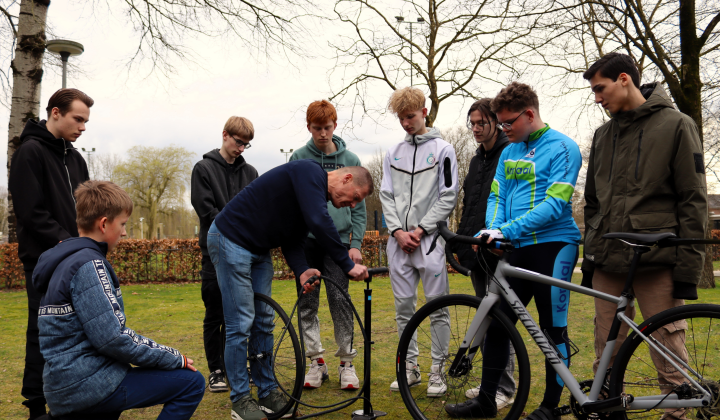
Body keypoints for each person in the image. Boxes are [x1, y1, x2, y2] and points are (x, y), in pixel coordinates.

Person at [445, 82, 582, 419]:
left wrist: (505, 229)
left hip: (554, 247)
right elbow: (498, 197)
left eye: (508, 123)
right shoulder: (509, 151)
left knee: (553, 330)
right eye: (501, 124)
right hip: (515, 249)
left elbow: (554, 205)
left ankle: (551, 406)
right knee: (498, 325)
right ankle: (487, 400)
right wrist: (492, 230)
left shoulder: (564, 148)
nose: (504, 129)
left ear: (530, 114)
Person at [582, 53, 707, 419]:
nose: (597, 97)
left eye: (600, 88)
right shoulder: (603, 136)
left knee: (668, 351)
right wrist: (592, 254)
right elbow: (593, 202)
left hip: (658, 261)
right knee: (605, 354)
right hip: (608, 262)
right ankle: (607, 414)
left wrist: (687, 270)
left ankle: (677, 415)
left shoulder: (677, 125)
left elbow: (693, 200)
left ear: (624, 79)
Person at [208, 160, 371, 420]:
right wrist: (346, 262)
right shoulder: (309, 172)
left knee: (263, 321)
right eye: (355, 198)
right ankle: (240, 401)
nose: (352, 206)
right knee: (240, 323)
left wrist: (302, 269)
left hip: (259, 248)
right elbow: (319, 221)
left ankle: (267, 392)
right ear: (347, 178)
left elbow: (294, 238)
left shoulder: (313, 194)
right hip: (230, 238)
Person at [34, 181, 205, 419]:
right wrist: (174, 357)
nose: (125, 232)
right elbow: (113, 338)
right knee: (191, 382)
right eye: (123, 224)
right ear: (104, 224)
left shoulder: (65, 261)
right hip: (88, 386)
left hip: (66, 385)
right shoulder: (89, 264)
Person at [8, 88, 92, 420]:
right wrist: (66, 243)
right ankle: (36, 405)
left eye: (86, 121)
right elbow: (31, 212)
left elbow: (87, 210)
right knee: (42, 331)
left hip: (77, 260)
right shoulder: (29, 152)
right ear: (55, 112)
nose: (83, 127)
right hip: (43, 262)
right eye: (78, 119)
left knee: (79, 329)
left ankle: (75, 393)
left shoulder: (77, 158)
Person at [380, 87, 459, 397]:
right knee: (403, 309)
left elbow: (448, 194)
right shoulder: (392, 153)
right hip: (398, 243)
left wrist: (421, 230)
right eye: (401, 118)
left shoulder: (443, 149)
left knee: (438, 307)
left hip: (429, 242)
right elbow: (386, 194)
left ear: (424, 112)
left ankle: (437, 369)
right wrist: (398, 231)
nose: (405, 123)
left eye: (410, 116)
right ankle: (408, 368)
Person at [289, 100, 366, 390]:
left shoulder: (351, 158)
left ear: (335, 126)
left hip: (338, 243)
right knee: (307, 302)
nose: (322, 133)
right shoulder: (298, 157)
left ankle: (347, 362)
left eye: (327, 127)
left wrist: (355, 242)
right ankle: (315, 362)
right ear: (308, 127)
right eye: (317, 128)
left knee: (340, 302)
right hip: (308, 243)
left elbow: (357, 205)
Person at [454, 98, 515, 408]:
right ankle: (491, 383)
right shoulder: (477, 160)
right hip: (476, 250)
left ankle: (503, 388)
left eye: (482, 122)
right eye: (472, 123)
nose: (476, 128)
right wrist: (460, 242)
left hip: (500, 250)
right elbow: (470, 205)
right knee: (486, 317)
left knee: (499, 321)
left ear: (495, 121)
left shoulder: (509, 152)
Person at [191, 116, 259, 393]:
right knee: (216, 313)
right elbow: (206, 211)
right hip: (214, 253)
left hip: (245, 253)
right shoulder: (203, 169)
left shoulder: (251, 173)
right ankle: (217, 370)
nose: (241, 148)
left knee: (245, 314)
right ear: (225, 135)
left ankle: (240, 366)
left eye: (247, 144)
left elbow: (257, 209)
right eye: (238, 142)